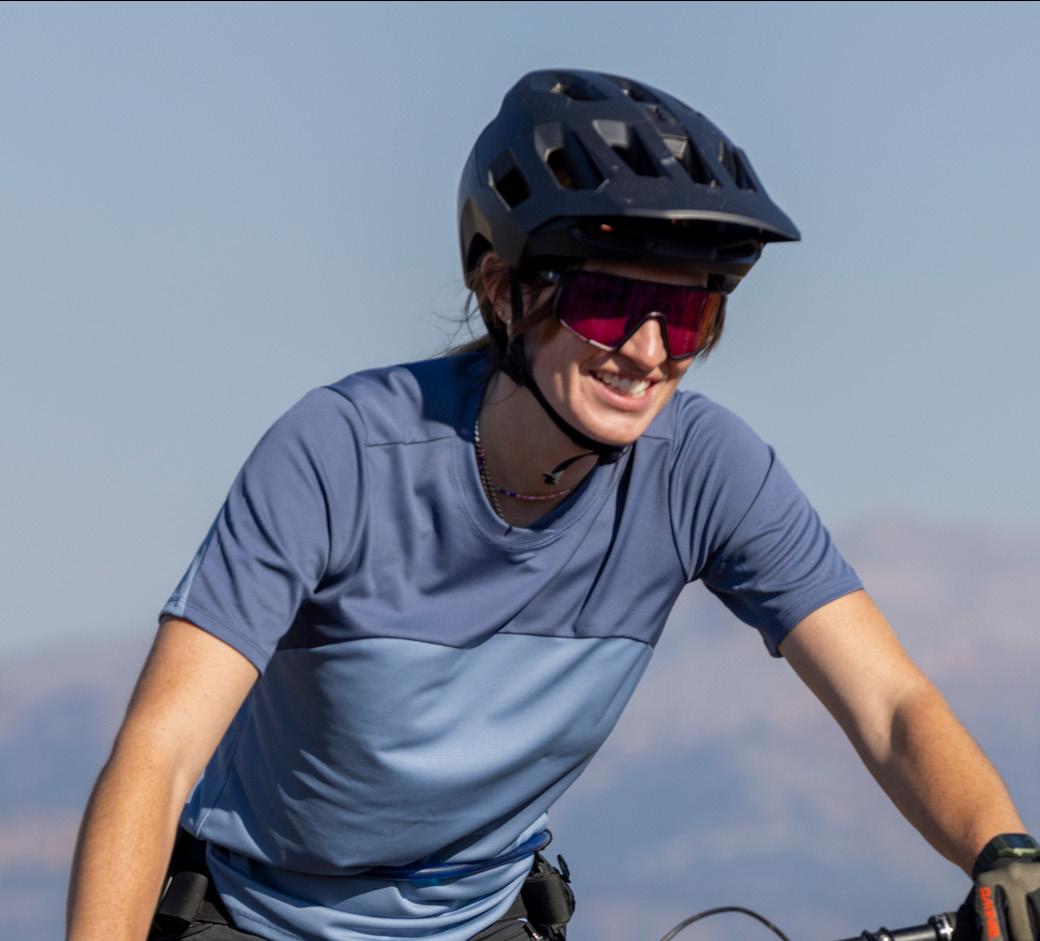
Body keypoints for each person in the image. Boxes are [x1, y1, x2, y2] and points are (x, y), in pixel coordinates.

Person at [66, 68, 1040, 941]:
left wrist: (1002, 855)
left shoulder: (704, 468)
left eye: (687, 313)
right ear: (501, 289)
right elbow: (160, 751)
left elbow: (889, 703)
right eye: (607, 303)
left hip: (485, 916)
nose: (648, 352)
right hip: (256, 913)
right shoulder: (338, 452)